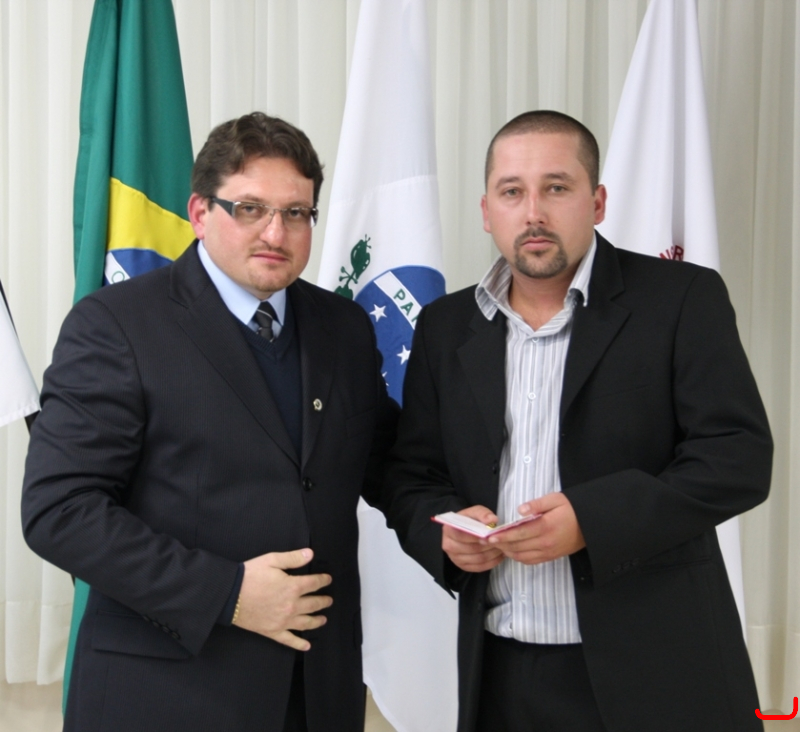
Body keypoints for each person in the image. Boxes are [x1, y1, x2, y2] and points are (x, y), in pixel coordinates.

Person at [383, 110, 772, 732]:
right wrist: (445, 537)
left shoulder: (681, 299)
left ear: (597, 202)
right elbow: (411, 475)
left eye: (557, 187)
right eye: (512, 192)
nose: (533, 212)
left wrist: (591, 521)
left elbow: (738, 458)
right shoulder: (445, 326)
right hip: (499, 675)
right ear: (487, 211)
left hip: (658, 671)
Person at [22, 112, 397, 732]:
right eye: (250, 208)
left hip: (317, 693)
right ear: (200, 212)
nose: (275, 232)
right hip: (166, 696)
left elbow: (385, 463)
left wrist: (456, 524)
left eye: (296, 213)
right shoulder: (116, 325)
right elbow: (59, 511)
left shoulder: (344, 328)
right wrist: (227, 593)